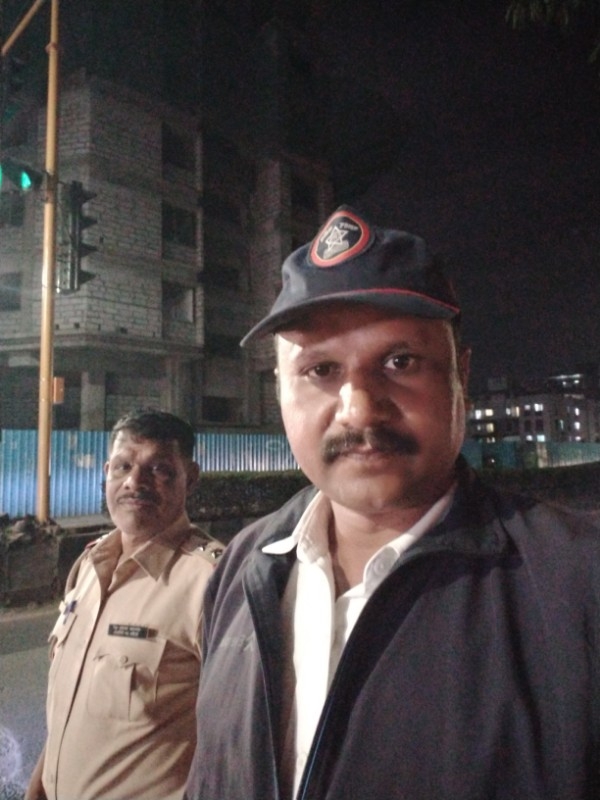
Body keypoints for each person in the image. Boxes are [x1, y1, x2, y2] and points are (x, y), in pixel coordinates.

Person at [186, 206, 600, 800]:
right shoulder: (243, 569)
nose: (358, 408)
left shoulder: (577, 584)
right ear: (280, 391)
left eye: (399, 362)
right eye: (320, 369)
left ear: (460, 375)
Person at [26, 408, 223, 800]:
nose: (135, 482)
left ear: (190, 478)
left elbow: (243, 738)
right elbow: (68, 709)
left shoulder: (212, 583)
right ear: (107, 473)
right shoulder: (89, 565)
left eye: (159, 469)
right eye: (123, 467)